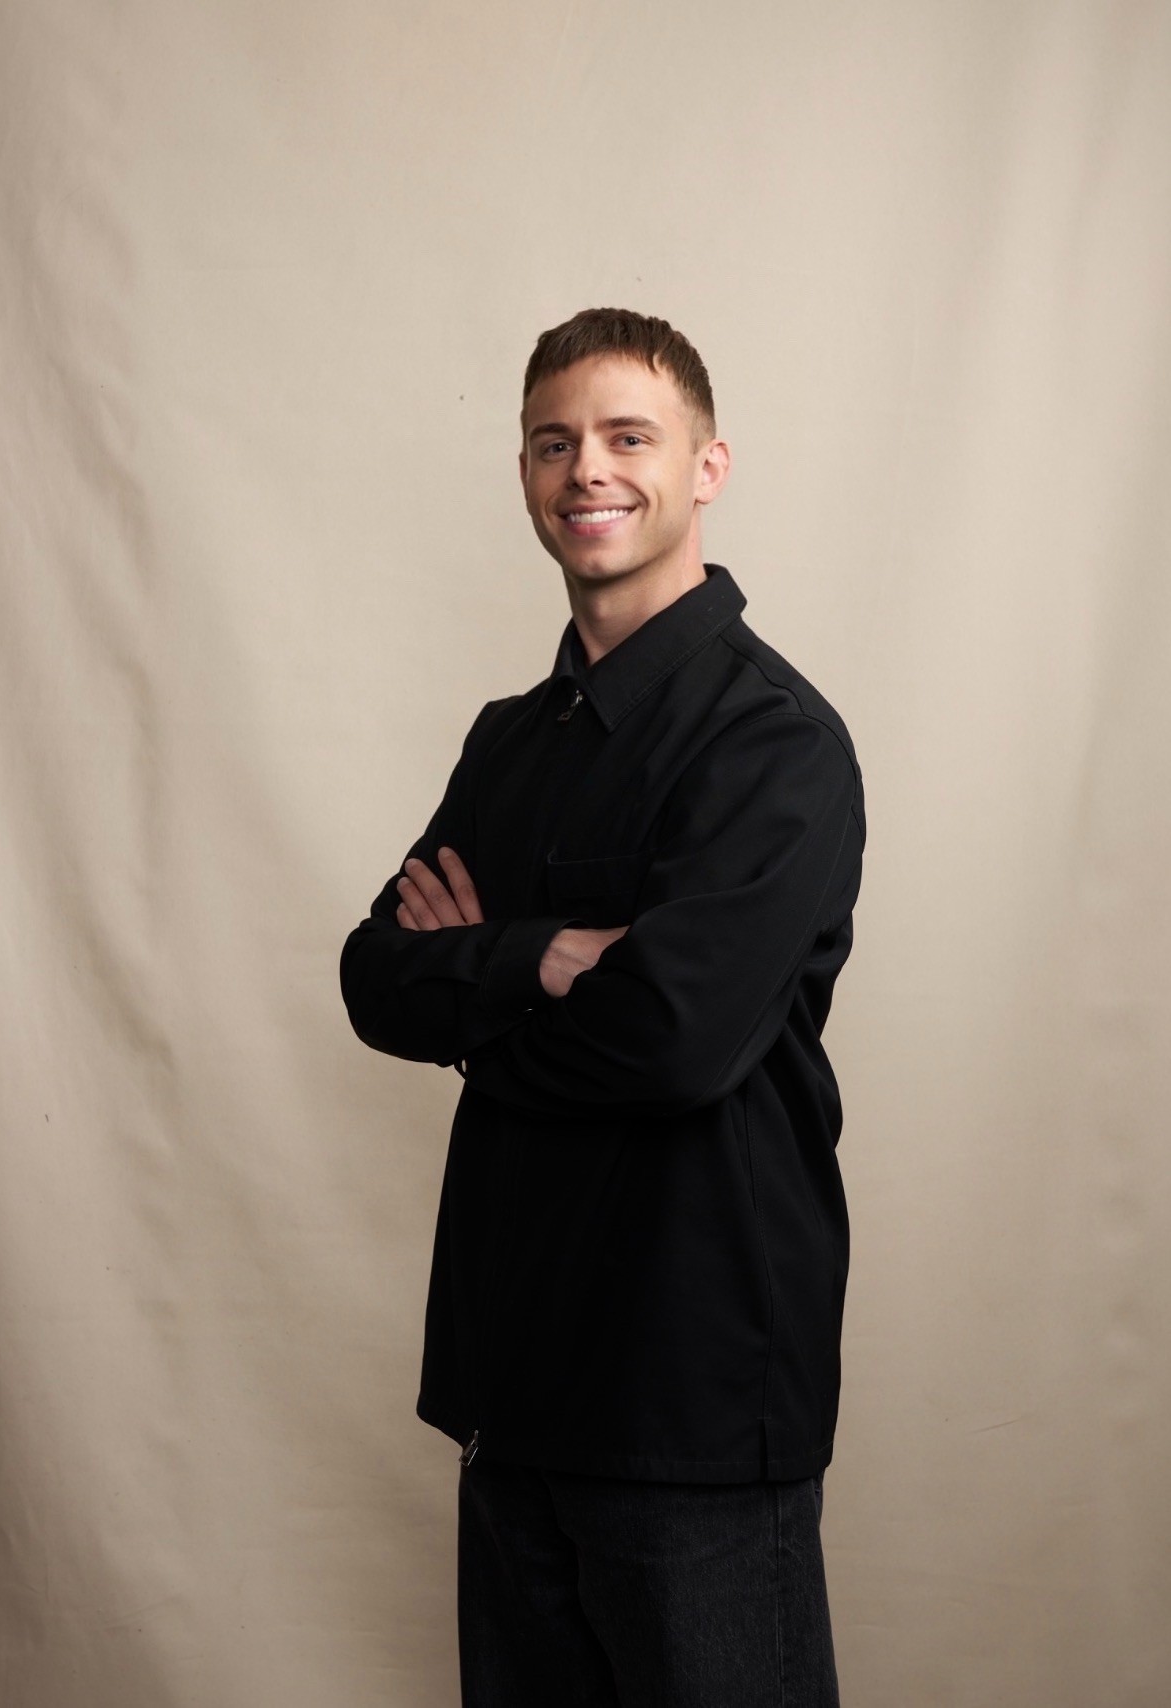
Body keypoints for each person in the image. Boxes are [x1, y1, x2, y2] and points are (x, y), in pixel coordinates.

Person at [339, 306, 865, 1707]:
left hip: (687, 1383)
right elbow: (370, 977)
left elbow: (675, 1040)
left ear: (705, 466)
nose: (588, 470)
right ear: (524, 472)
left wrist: (475, 988)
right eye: (552, 442)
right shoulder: (510, 741)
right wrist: (543, 959)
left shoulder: (775, 743)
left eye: (628, 437)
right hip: (511, 1381)